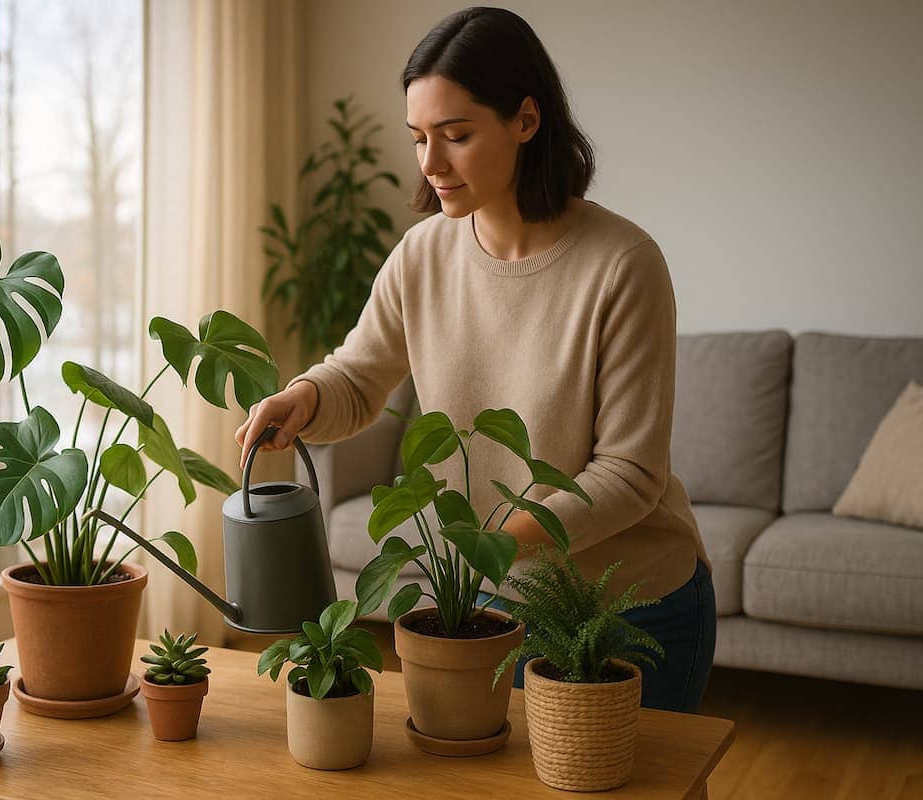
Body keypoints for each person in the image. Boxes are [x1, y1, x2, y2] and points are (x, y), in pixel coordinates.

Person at [235, 6, 716, 714]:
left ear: (526, 119)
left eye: (456, 135)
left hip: (632, 607)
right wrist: (304, 397)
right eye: (419, 138)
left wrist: (488, 549)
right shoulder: (422, 254)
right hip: (502, 599)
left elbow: (630, 474)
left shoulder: (624, 264)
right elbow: (359, 376)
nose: (431, 163)